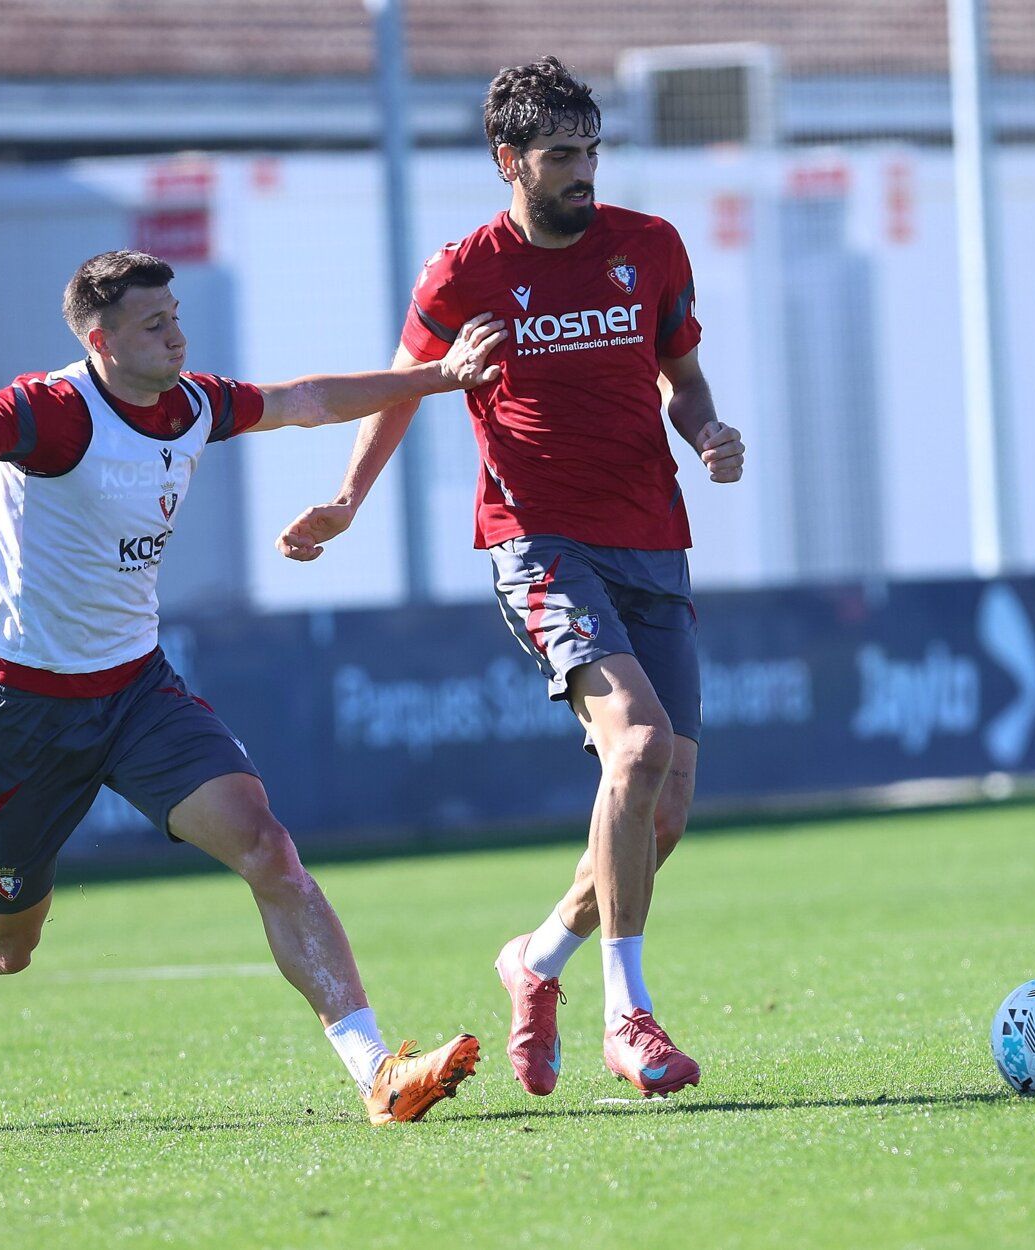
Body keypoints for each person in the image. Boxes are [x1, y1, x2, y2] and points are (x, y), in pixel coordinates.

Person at [0, 250, 505, 1125]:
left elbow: (309, 400)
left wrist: (439, 376)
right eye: (156, 325)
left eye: (176, 316)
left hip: (136, 692)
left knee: (268, 848)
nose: (177, 336)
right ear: (99, 339)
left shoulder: (193, 403)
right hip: (23, 711)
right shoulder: (50, 412)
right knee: (3, 949)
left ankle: (377, 1071)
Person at [277, 59, 746, 1099]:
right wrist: (348, 500)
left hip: (650, 539)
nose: (583, 173)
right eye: (561, 157)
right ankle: (630, 1014)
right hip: (536, 541)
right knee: (637, 741)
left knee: (658, 812)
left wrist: (705, 425)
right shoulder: (465, 274)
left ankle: (533, 961)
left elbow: (680, 369)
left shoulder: (650, 248)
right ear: (509, 161)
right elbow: (403, 388)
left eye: (591, 152)